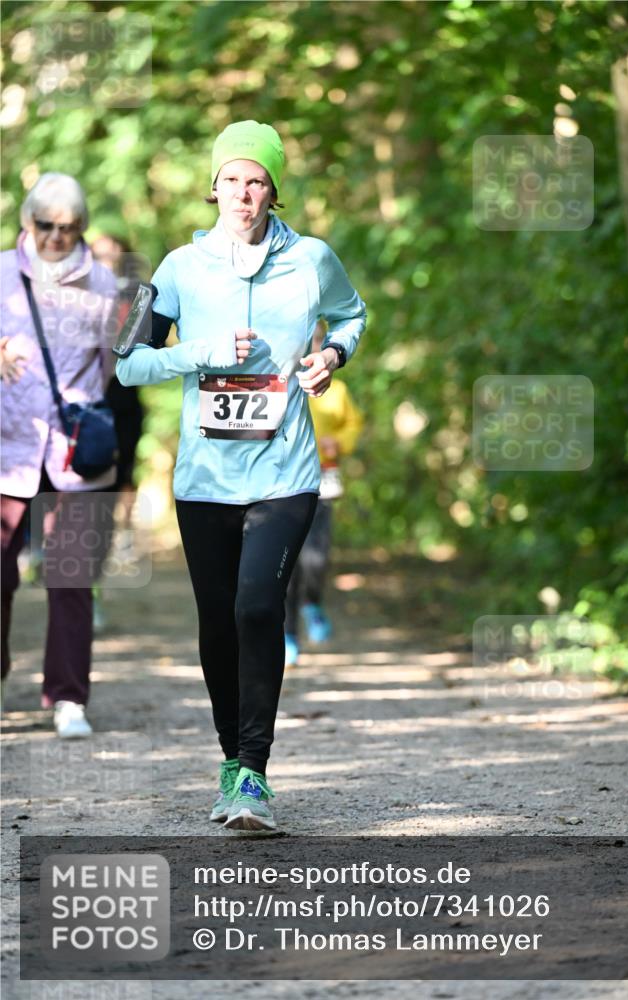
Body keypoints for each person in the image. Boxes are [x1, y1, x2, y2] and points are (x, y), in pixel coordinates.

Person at [116, 120, 365, 831]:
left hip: (286, 470)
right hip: (203, 480)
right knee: (219, 622)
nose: (242, 193)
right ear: (214, 187)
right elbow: (127, 362)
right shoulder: (176, 268)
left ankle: (253, 772)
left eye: (256, 180)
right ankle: (231, 758)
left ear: (274, 191)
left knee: (258, 606)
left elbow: (352, 315)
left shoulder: (313, 258)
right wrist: (199, 351)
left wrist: (332, 357)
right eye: (230, 179)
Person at [0, 173, 118, 737]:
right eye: (44, 225)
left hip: (76, 451)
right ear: (28, 222)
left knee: (71, 579)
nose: (54, 237)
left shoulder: (104, 283)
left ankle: (69, 697)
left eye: (67, 228)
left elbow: (115, 369)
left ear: (81, 228)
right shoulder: (0, 272)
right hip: (8, 444)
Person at [284, 321, 363, 666]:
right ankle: (287, 634)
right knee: (285, 563)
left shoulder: (338, 391)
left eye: (315, 340)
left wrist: (339, 443)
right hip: (283, 481)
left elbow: (354, 425)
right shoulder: (278, 384)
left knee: (316, 557)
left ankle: (312, 602)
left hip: (323, 479)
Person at [91, 236, 146, 631]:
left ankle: (91, 581)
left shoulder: (138, 295)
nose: (104, 260)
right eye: (97, 254)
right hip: (85, 408)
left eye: (111, 252)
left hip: (125, 405)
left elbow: (148, 345)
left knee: (113, 490)